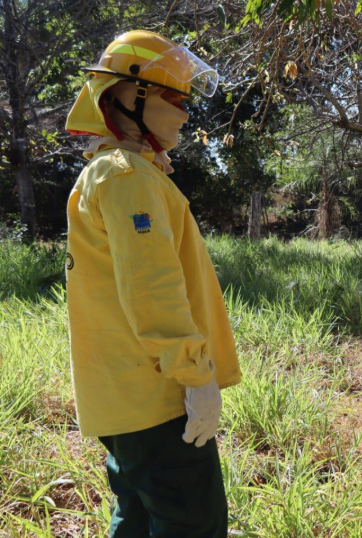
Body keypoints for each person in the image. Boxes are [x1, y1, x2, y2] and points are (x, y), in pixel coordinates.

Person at [64, 30, 241, 536]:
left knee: (137, 517)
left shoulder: (113, 171)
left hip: (124, 400)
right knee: (192, 524)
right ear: (132, 94)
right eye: (175, 96)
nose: (185, 111)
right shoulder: (127, 177)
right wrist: (195, 375)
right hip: (157, 397)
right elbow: (152, 286)